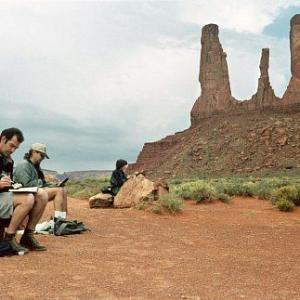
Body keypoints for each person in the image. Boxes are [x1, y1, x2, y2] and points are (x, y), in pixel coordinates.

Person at [0, 128, 48, 254]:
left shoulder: (8, 159)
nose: (13, 150)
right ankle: (9, 239)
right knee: (28, 198)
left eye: (16, 148)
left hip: (4, 196)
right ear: (3, 139)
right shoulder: (23, 164)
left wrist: (14, 185)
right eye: (11, 146)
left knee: (41, 194)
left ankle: (27, 236)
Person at [13, 143, 68, 221]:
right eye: (42, 155)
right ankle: (58, 222)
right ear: (34, 152)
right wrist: (43, 180)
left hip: (34, 191)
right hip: (25, 195)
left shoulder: (35, 166)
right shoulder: (23, 165)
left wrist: (54, 184)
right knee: (58, 191)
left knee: (62, 189)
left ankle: (63, 220)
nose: (43, 158)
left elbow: (42, 183)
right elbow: (25, 185)